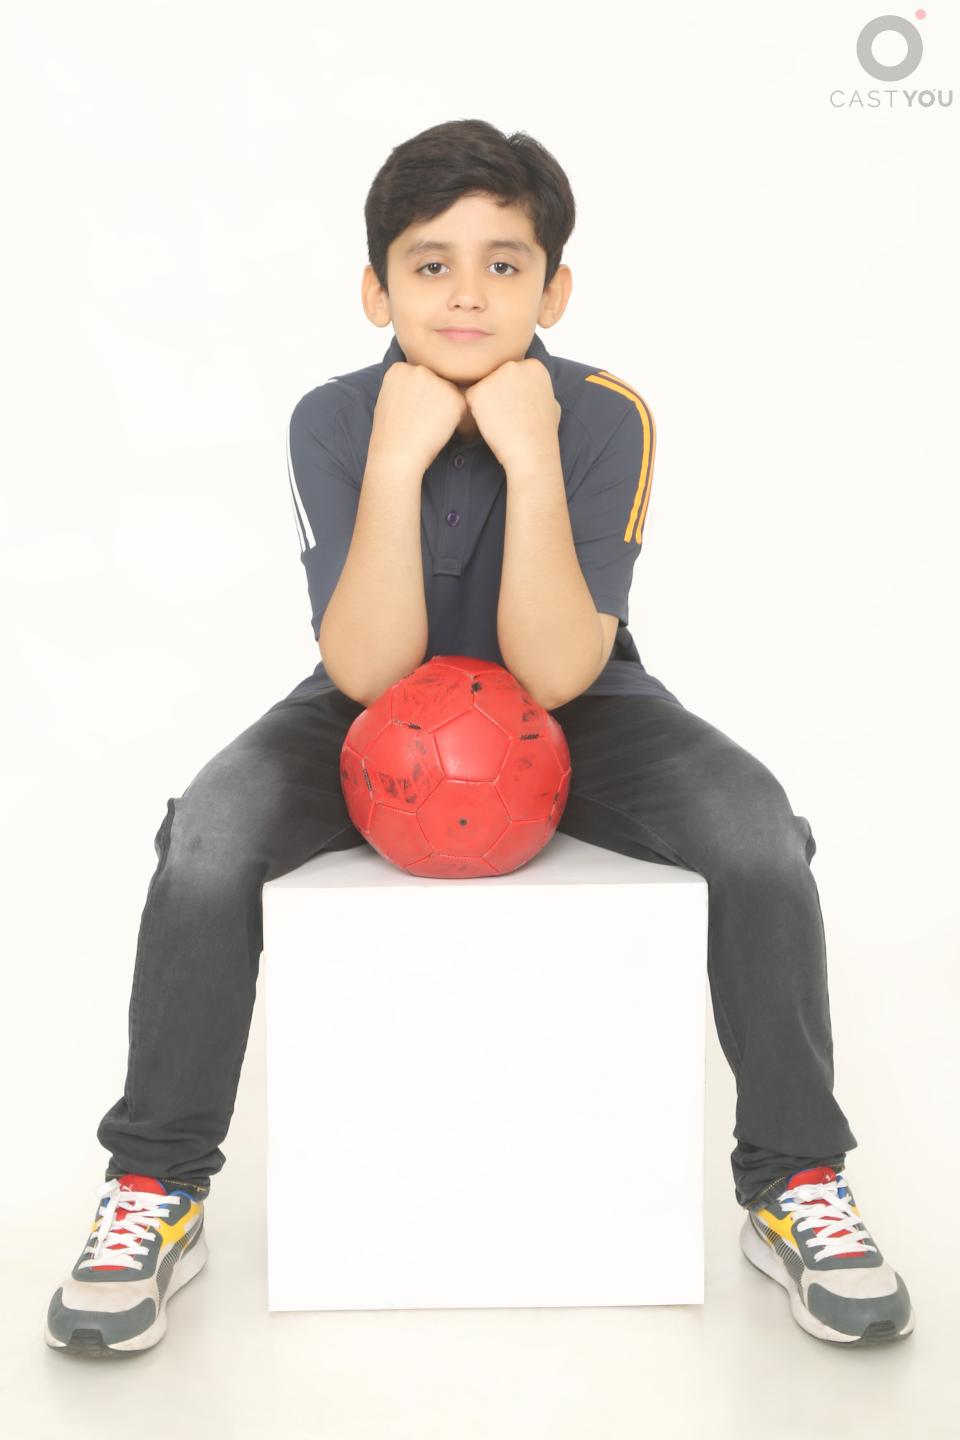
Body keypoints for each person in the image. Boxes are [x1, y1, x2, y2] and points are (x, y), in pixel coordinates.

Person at [45, 118, 914, 1356]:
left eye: (504, 265)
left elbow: (558, 667)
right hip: (367, 700)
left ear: (554, 289)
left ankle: (796, 1180)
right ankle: (155, 1184)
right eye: (430, 264)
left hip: (581, 700)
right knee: (208, 839)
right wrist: (399, 458)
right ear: (376, 290)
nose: (466, 294)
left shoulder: (605, 412)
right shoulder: (333, 417)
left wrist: (530, 449)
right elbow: (367, 667)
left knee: (757, 833)